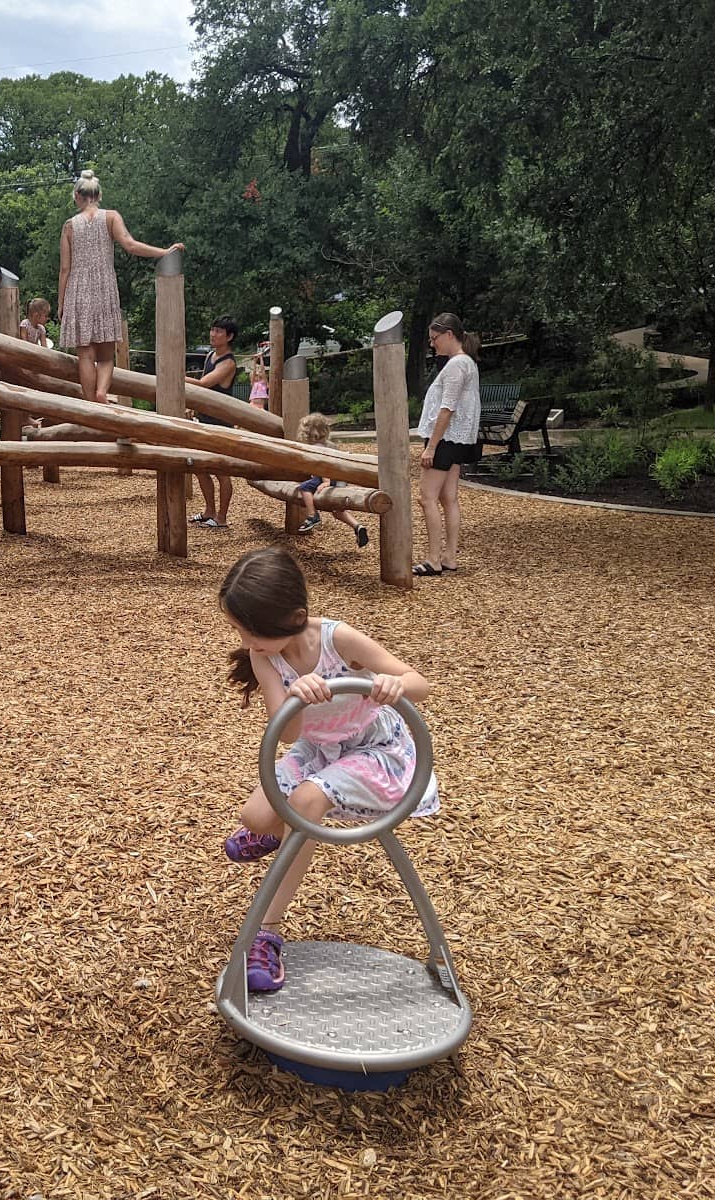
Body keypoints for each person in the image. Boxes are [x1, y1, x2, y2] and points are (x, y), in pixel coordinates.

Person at [217, 547, 439, 992]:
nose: (245, 643)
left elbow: (419, 683)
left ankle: (268, 932)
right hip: (318, 748)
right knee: (255, 818)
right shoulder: (266, 657)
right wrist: (295, 692)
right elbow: (287, 733)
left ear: (294, 617)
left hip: (375, 750)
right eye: (239, 630)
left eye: (251, 631)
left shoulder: (340, 639)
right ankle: (275, 834)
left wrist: (391, 684)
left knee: (304, 804)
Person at [58, 170, 183, 405]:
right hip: (105, 287)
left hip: (77, 289)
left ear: (77, 196)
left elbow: (65, 269)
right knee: (106, 355)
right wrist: (164, 252)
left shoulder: (69, 226)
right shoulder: (111, 217)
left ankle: (90, 404)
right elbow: (130, 245)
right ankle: (102, 392)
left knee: (85, 353)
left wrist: (61, 303)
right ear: (99, 194)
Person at [414, 313, 482, 576]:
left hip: (445, 439)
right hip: (456, 439)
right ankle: (449, 556)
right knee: (448, 497)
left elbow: (447, 408)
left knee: (427, 497)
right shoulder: (467, 363)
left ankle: (433, 558)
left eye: (434, 339)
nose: (433, 344)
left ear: (449, 335)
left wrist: (431, 446)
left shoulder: (456, 365)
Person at [187, 315, 242, 529]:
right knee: (200, 467)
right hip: (204, 419)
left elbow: (203, 383)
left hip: (221, 422)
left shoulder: (228, 362)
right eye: (213, 329)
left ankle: (221, 517)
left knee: (221, 471)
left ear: (229, 336)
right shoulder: (210, 354)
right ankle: (209, 511)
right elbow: (201, 390)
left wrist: (175, 376)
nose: (213, 334)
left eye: (219, 331)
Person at [293, 412, 369, 547]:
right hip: (339, 478)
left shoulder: (316, 448)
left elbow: (324, 465)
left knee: (304, 488)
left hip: (328, 476)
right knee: (337, 511)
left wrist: (325, 482)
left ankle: (312, 516)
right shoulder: (329, 445)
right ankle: (358, 526)